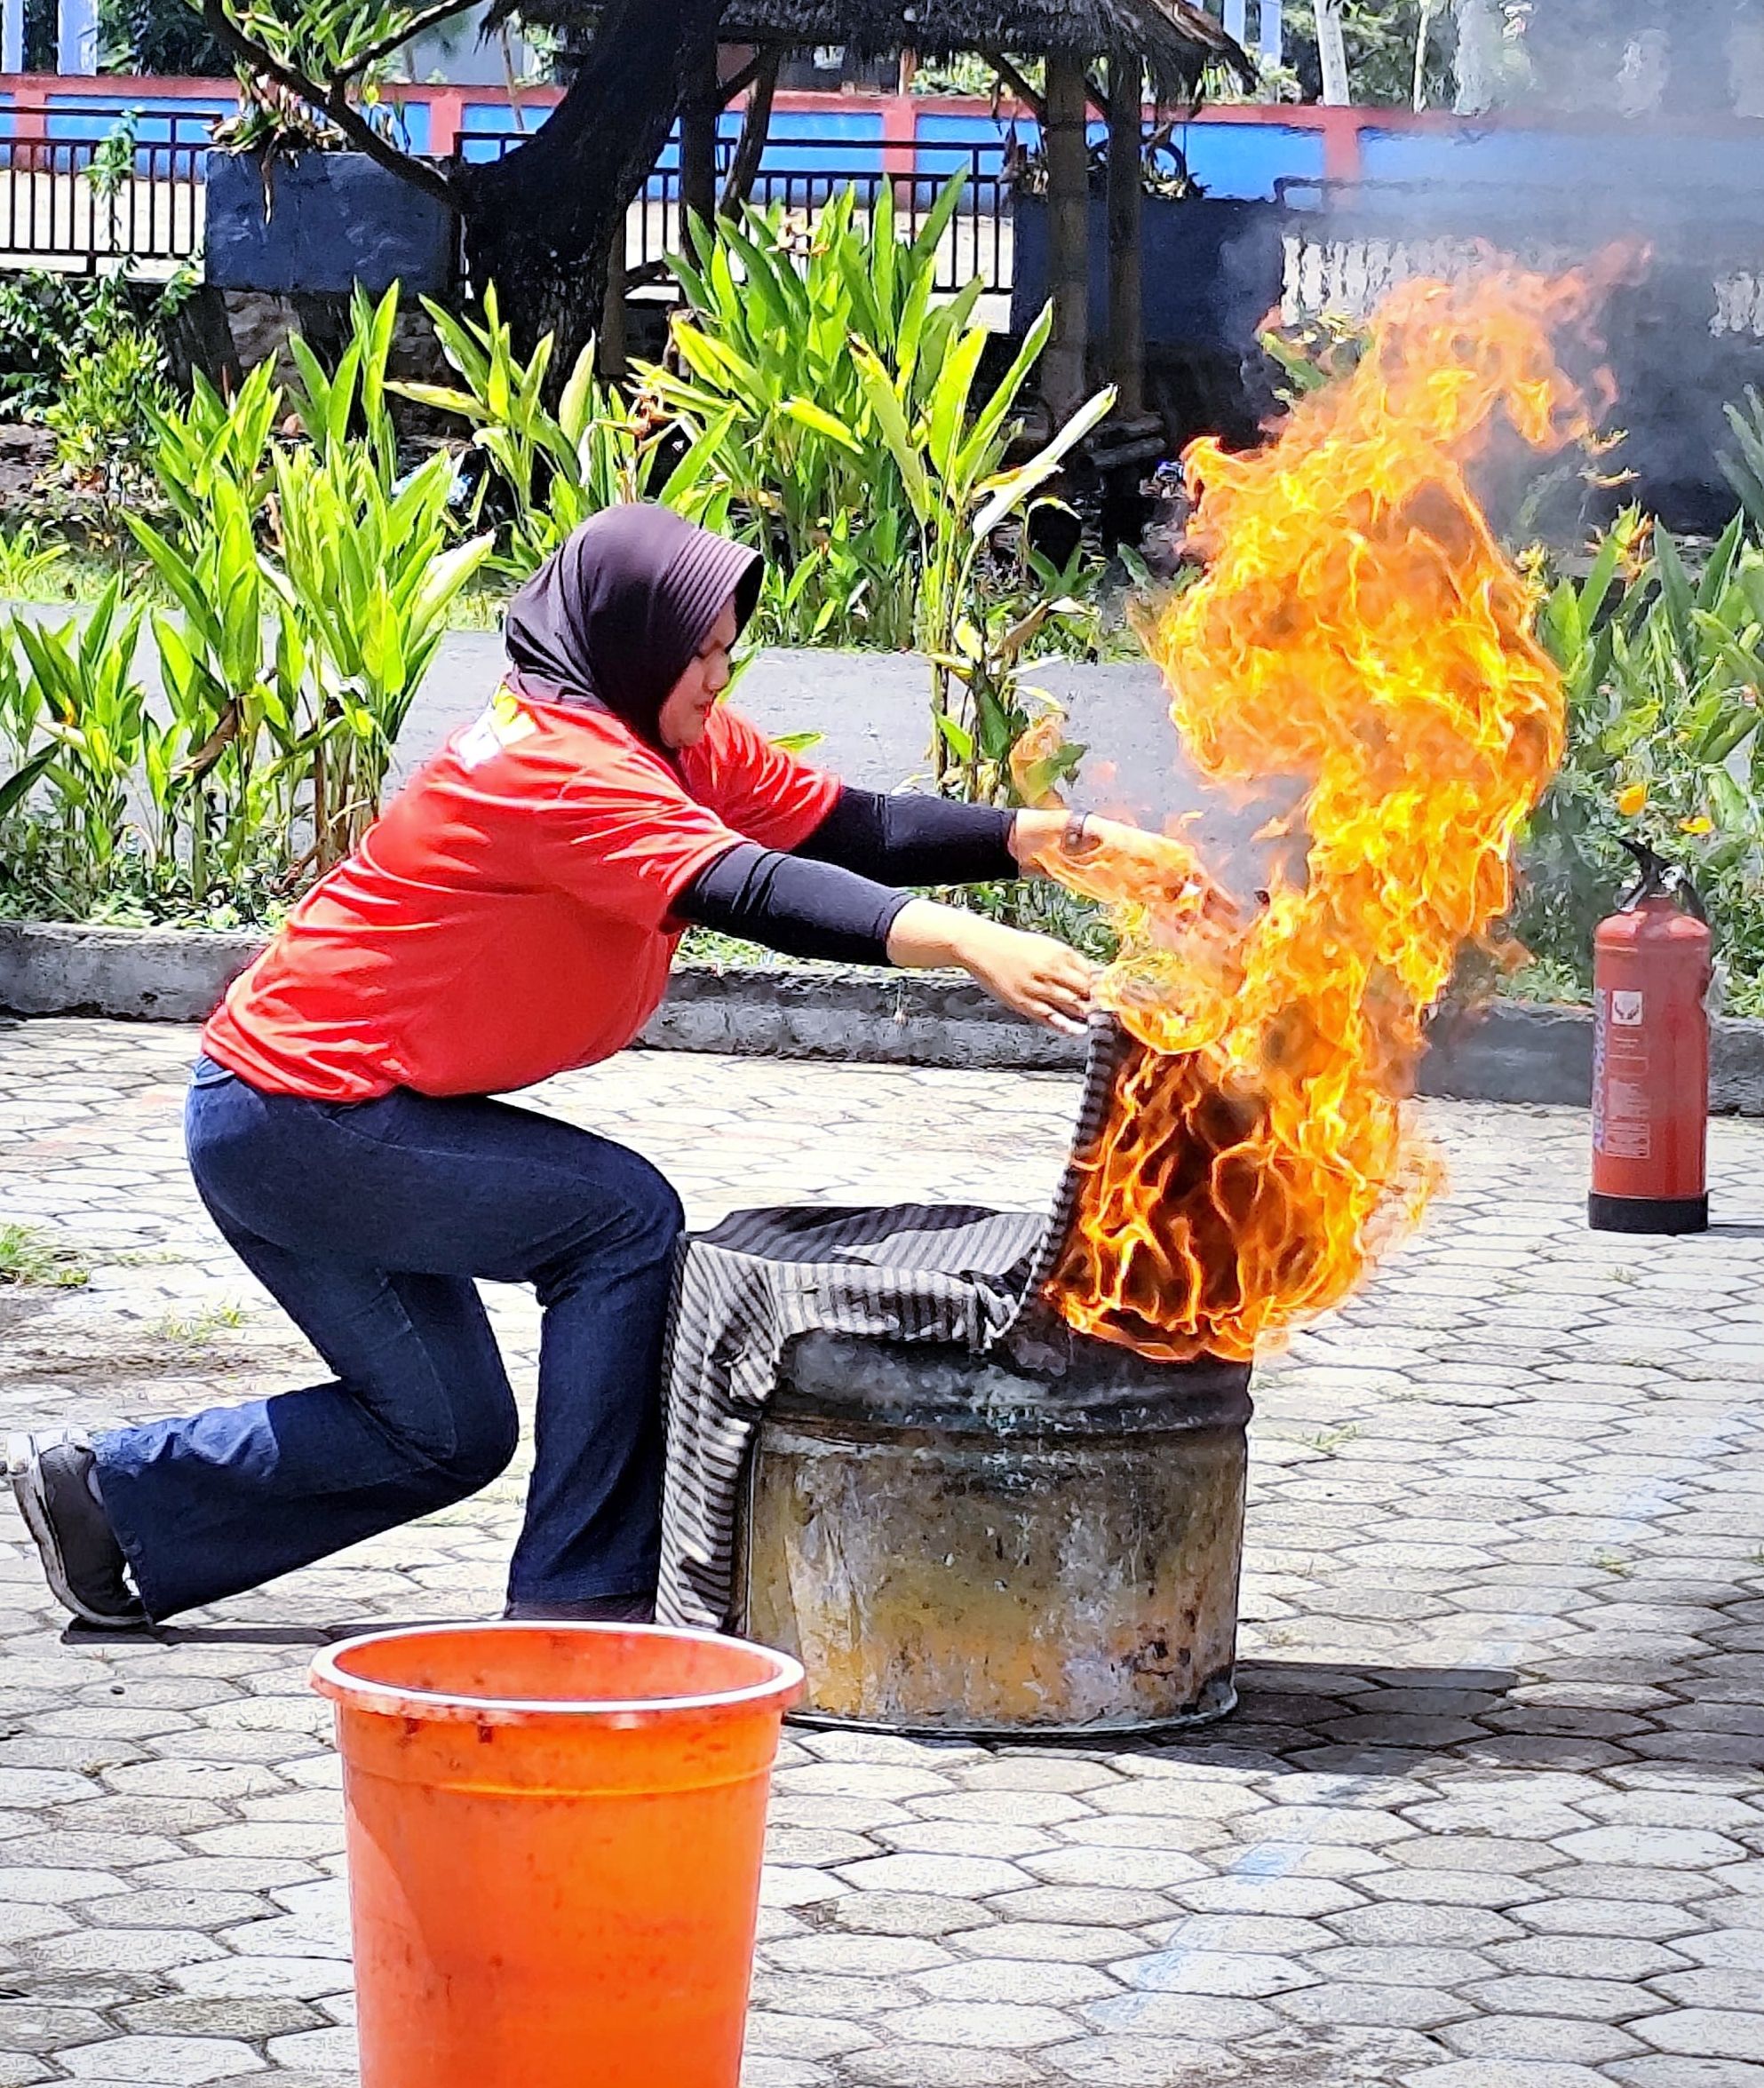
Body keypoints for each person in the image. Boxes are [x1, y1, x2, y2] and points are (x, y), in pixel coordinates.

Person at [6, 504, 1118, 1631]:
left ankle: (110, 1499)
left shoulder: (655, 734)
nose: (718, 677)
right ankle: (579, 1609)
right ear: (632, 640)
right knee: (619, 1221)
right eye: (700, 652)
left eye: (728, 650)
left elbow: (846, 825)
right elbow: (753, 890)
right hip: (298, 1118)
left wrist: (1035, 840)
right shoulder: (562, 765)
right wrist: (967, 940)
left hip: (299, 1109)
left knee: (445, 1432)